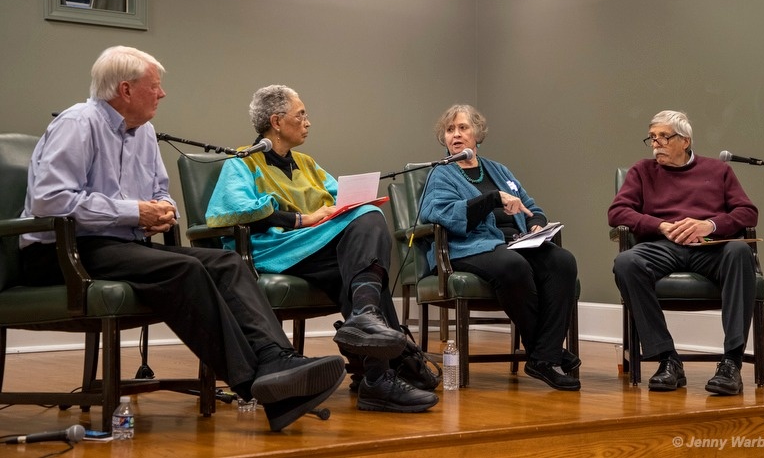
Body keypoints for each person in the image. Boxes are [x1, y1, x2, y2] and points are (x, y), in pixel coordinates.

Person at [19, 46, 346, 432]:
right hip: (61, 251)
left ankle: (278, 360)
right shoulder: (78, 123)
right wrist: (134, 212)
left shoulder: (145, 134)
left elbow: (160, 191)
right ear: (125, 90)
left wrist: (163, 209)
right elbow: (51, 201)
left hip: (119, 245)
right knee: (185, 268)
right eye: (155, 87)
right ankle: (255, 383)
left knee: (226, 263)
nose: (162, 94)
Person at [205, 85, 439, 413]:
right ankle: (375, 358)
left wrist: (344, 206)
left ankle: (375, 370)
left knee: (360, 267)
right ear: (276, 121)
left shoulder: (306, 163)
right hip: (276, 249)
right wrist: (303, 219)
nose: (308, 122)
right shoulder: (243, 162)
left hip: (314, 247)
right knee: (368, 234)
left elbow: (341, 197)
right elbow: (229, 212)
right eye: (301, 114)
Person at [417, 104, 581, 391]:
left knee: (562, 261)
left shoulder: (499, 170)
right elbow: (442, 213)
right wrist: (491, 199)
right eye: (450, 129)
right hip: (466, 246)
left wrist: (535, 226)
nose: (456, 134)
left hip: (515, 242)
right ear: (443, 138)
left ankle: (543, 355)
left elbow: (531, 207)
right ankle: (546, 354)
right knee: (511, 265)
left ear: (477, 134)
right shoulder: (441, 174)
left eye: (463, 128)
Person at [608, 110, 758, 395]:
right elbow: (617, 212)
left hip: (709, 248)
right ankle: (667, 359)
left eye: (664, 137)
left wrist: (709, 224)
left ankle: (731, 363)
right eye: (652, 138)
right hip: (662, 247)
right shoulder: (642, 171)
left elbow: (747, 212)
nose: (656, 145)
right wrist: (660, 226)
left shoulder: (719, 171)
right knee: (626, 262)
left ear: (685, 141)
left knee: (739, 251)